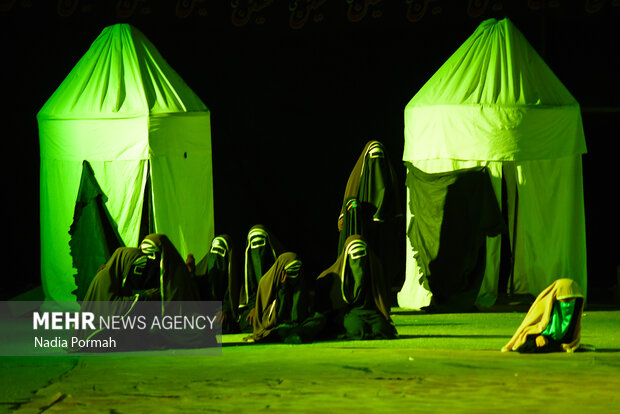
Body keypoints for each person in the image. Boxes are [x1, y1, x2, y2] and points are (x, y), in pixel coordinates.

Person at [76, 234, 209, 351]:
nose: (148, 261)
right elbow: (113, 308)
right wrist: (145, 297)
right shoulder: (106, 278)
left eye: (152, 255)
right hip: (97, 333)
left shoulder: (171, 275)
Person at [337, 140, 404, 296]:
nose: (376, 162)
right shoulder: (356, 182)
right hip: (363, 229)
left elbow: (395, 210)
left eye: (379, 157)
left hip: (384, 232)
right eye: (373, 157)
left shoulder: (390, 180)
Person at [316, 235, 397, 340]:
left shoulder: (375, 269)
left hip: (372, 314)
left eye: (361, 253)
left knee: (381, 330)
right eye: (355, 255)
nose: (359, 260)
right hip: (351, 313)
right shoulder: (337, 276)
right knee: (357, 330)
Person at [246, 252, 325, 344]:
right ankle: (296, 334)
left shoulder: (299, 280)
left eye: (297, 270)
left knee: (320, 319)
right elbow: (269, 321)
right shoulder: (266, 283)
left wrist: (299, 290)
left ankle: (295, 334)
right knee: (282, 329)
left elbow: (300, 315)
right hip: (276, 326)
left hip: (296, 324)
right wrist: (282, 290)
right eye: (291, 270)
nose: (295, 274)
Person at [501, 278, 585, 353]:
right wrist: (538, 337)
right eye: (565, 300)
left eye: (571, 300)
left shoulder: (576, 308)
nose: (568, 304)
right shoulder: (545, 306)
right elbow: (530, 328)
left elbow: (571, 336)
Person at [238, 224, 285, 332]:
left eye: (261, 243)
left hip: (275, 305)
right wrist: (253, 307)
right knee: (247, 321)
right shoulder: (248, 269)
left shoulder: (279, 266)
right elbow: (250, 291)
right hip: (258, 309)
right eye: (254, 244)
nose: (258, 250)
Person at [190, 234, 241, 333]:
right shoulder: (203, 271)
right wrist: (190, 273)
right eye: (213, 251)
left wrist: (226, 311)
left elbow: (234, 298)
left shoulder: (237, 275)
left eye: (221, 251)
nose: (216, 256)